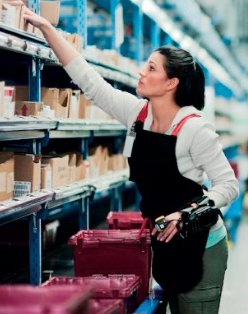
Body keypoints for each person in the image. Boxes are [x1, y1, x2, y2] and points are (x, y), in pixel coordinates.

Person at [23, 6, 238, 314]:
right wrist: (47, 29)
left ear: (171, 83)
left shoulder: (194, 128)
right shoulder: (137, 114)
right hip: (164, 240)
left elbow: (227, 185)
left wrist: (187, 214)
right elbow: (91, 82)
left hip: (201, 244)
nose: (141, 72)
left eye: (151, 68)